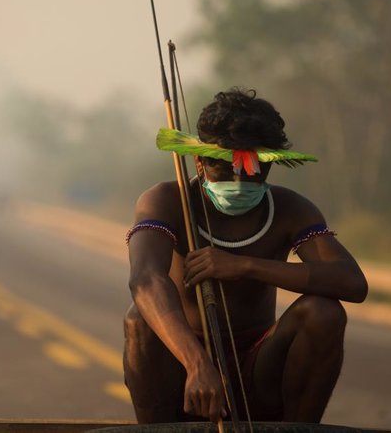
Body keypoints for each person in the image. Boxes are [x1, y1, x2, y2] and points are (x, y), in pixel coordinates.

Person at [123, 88, 367, 425]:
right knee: (139, 319)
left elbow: (352, 282)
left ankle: (296, 431)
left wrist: (245, 266)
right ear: (200, 160)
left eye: (253, 169)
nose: (239, 180)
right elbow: (145, 278)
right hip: (183, 371)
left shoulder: (289, 208)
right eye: (224, 167)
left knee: (323, 313)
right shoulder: (167, 200)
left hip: (258, 371)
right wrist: (197, 364)